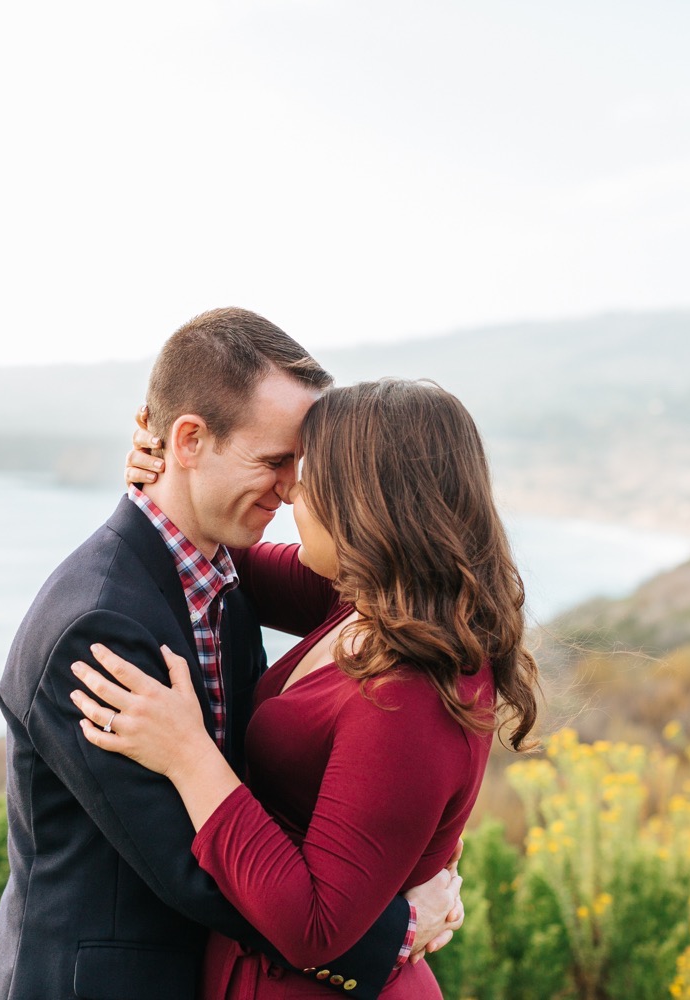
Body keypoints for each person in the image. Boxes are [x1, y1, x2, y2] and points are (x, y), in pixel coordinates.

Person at [0, 310, 463, 1000]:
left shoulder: (221, 577)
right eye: (274, 462)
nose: (294, 487)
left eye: (300, 464)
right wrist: (394, 929)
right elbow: (190, 864)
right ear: (192, 439)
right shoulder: (98, 627)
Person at [72, 378, 541, 998]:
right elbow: (217, 550)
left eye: (306, 473)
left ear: (365, 504)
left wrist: (188, 755)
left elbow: (317, 925)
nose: (290, 490)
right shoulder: (368, 601)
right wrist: (173, 480)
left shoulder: (409, 693)